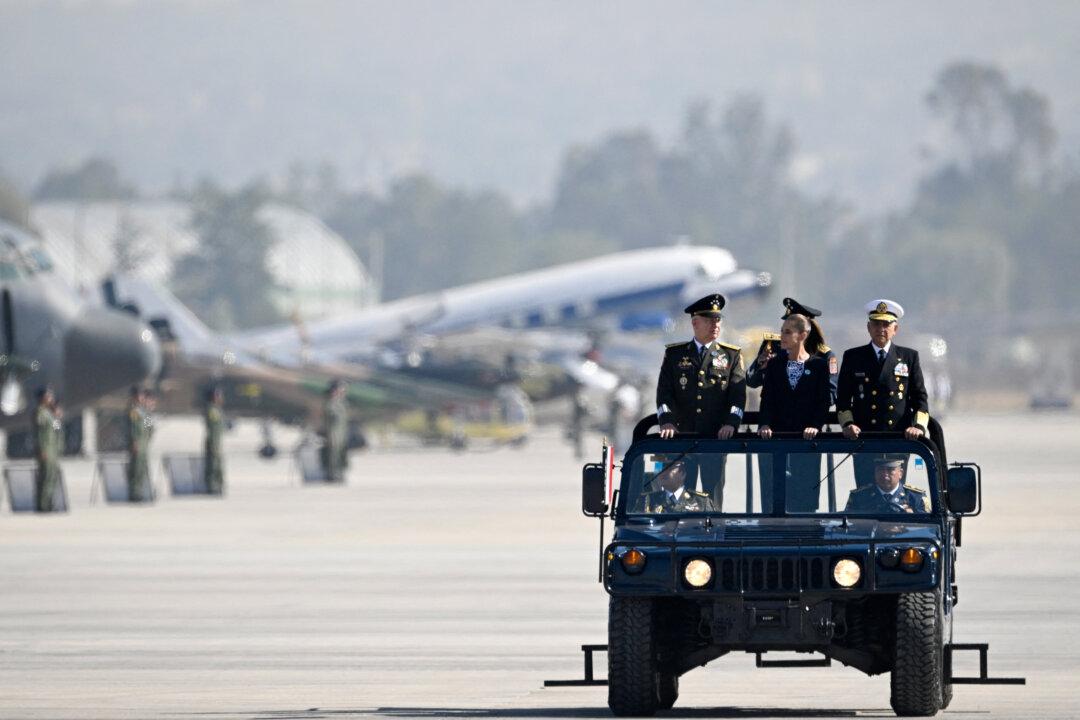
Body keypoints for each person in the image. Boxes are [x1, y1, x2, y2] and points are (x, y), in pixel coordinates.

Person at [655, 293, 746, 503]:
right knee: (680, 495)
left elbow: (737, 396)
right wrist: (667, 421)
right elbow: (664, 393)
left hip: (714, 439)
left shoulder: (730, 355)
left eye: (718, 320)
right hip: (683, 436)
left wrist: (731, 423)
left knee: (711, 498)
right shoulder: (675, 355)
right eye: (709, 320)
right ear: (695, 323)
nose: (715, 324)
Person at [837, 299, 930, 487]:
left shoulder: (909, 357)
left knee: (895, 495)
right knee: (865, 493)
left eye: (886, 324)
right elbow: (843, 398)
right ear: (868, 327)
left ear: (895, 329)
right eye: (877, 324)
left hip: (897, 439)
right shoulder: (854, 357)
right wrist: (847, 424)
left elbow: (920, 398)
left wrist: (918, 428)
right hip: (865, 439)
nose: (881, 329)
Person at [757, 313, 832, 511]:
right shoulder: (775, 364)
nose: (782, 336)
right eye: (782, 331)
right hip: (778, 439)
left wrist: (815, 426)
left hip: (806, 442)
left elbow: (823, 401)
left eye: (788, 332)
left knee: (803, 500)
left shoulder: (818, 366)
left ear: (803, 335)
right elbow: (767, 399)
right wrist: (764, 423)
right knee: (774, 499)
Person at [747, 297, 838, 406]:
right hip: (777, 416)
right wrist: (761, 366)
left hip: (808, 417)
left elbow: (831, 395)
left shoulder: (825, 355)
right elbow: (751, 381)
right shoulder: (774, 346)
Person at [845, 455, 931, 513]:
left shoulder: (916, 498)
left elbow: (928, 528)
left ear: (900, 473)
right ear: (875, 472)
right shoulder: (858, 497)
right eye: (880, 469)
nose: (884, 474)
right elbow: (849, 527)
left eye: (890, 469)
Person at [633, 458, 716, 513]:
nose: (662, 472)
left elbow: (711, 530)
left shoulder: (702, 502)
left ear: (682, 473)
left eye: (667, 467)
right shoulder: (646, 501)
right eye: (659, 467)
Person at [33, 386, 63, 512]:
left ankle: (49, 503)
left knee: (51, 477)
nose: (51, 398)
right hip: (45, 450)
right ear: (42, 398)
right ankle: (43, 505)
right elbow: (39, 433)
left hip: (52, 450)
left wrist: (57, 417)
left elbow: (56, 430)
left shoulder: (49, 413)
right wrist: (42, 449)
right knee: (45, 478)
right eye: (48, 396)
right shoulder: (40, 412)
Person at [126, 386, 154, 502]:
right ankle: (135, 493)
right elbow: (133, 427)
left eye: (142, 395)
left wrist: (149, 412)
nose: (140, 397)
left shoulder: (143, 411)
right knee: (136, 469)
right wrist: (134, 441)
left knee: (142, 469)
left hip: (144, 444)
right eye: (138, 395)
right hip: (137, 443)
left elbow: (150, 427)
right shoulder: (133, 411)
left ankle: (141, 491)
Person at [321, 379, 348, 483]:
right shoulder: (330, 403)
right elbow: (331, 416)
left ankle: (339, 473)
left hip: (341, 432)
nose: (343, 391)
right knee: (333, 455)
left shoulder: (341, 402)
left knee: (340, 454)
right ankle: (332, 474)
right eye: (341, 388)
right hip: (333, 433)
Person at [203, 385, 225, 495]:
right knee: (213, 465)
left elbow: (148, 428)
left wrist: (150, 429)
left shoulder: (146, 413)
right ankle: (212, 486)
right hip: (141, 444)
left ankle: (217, 485)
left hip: (144, 443)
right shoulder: (141, 412)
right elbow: (213, 428)